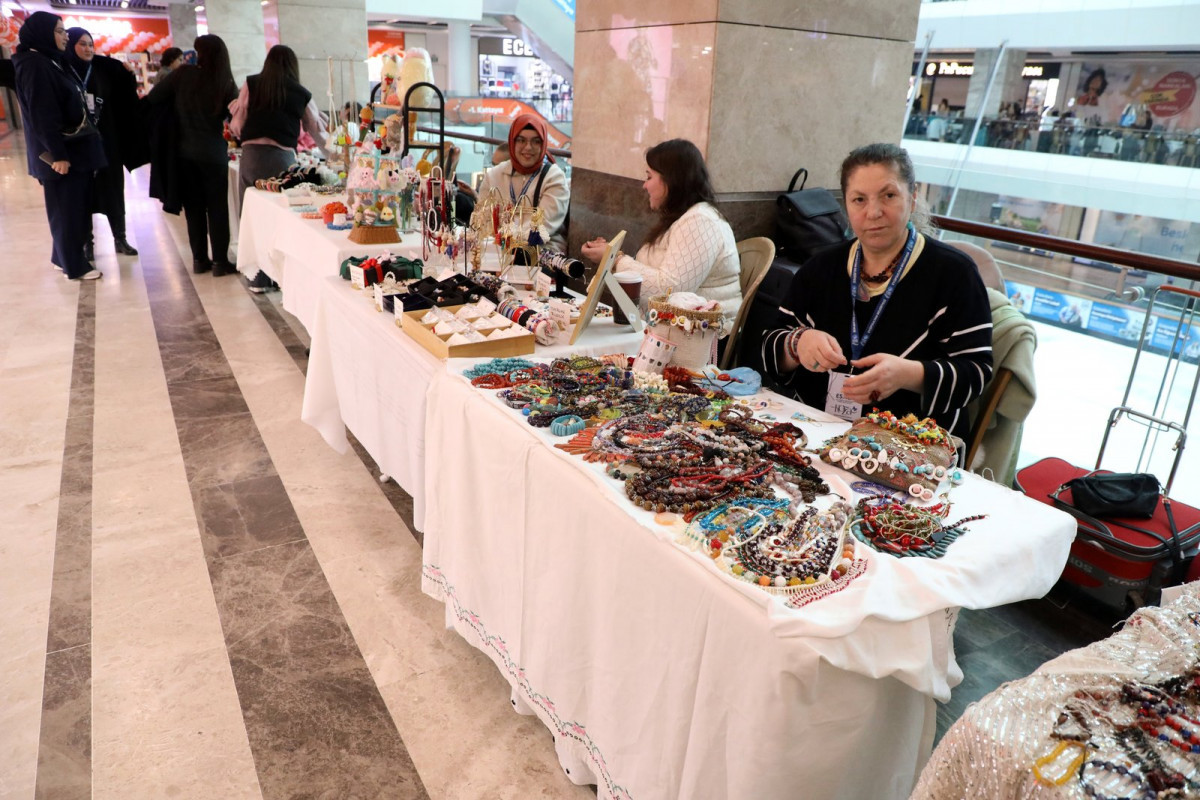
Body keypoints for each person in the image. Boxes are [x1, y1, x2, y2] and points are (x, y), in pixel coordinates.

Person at [760, 143, 993, 440]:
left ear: (913, 197)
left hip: (911, 445)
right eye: (859, 199)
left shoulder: (954, 273)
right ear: (846, 205)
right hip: (815, 432)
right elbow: (769, 344)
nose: (873, 212)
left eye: (889, 195)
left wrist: (907, 374)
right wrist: (797, 343)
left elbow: (976, 373)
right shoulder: (820, 268)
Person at [580, 138, 741, 323]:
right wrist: (612, 257)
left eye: (649, 177)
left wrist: (615, 259)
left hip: (703, 334)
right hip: (666, 327)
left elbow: (670, 291)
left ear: (671, 180)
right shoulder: (684, 217)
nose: (644, 185)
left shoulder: (700, 220)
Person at [13, 11, 107, 280]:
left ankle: (61, 257)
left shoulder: (49, 61)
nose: (65, 36)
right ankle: (74, 267)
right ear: (44, 33)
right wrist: (58, 155)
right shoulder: (35, 65)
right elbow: (42, 115)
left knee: (70, 208)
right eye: (59, 31)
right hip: (62, 154)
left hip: (72, 150)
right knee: (68, 211)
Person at [229, 44, 328, 290]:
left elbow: (237, 126)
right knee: (281, 220)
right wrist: (332, 155)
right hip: (282, 161)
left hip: (251, 158)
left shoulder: (251, 84)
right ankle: (281, 278)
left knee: (251, 217)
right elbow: (316, 131)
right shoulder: (301, 93)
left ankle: (257, 279)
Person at [145, 34, 237, 275]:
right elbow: (236, 117)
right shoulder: (224, 81)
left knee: (194, 209)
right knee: (217, 209)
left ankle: (199, 260)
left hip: (184, 153)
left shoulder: (182, 75)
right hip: (214, 154)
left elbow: (153, 98)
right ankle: (220, 262)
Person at [66, 27, 146, 260]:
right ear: (71, 45)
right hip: (78, 143)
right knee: (83, 193)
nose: (88, 48)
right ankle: (87, 244)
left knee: (113, 189)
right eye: (82, 44)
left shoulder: (104, 69)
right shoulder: (63, 70)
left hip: (107, 141)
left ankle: (120, 238)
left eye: (91, 44)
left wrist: (128, 75)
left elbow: (125, 97)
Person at [477, 114, 569, 249]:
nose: (528, 147)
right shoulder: (494, 176)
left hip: (541, 252)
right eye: (521, 140)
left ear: (543, 144)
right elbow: (483, 220)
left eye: (536, 141)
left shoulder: (554, 178)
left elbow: (543, 227)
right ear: (512, 142)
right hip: (497, 250)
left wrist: (507, 240)